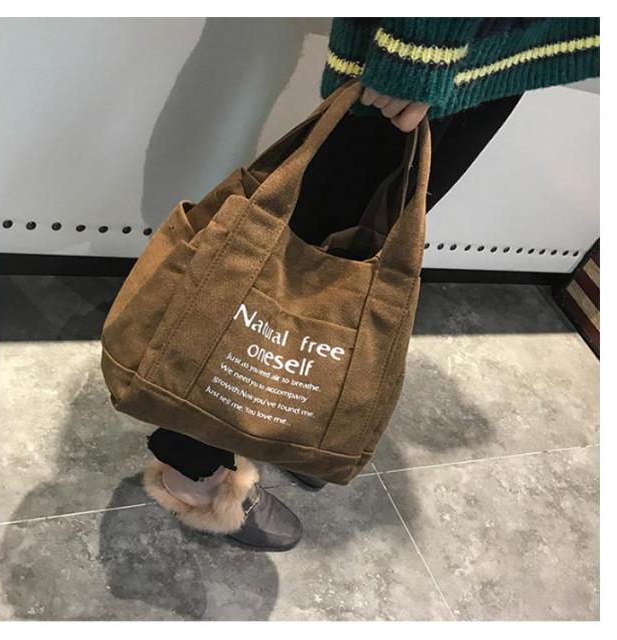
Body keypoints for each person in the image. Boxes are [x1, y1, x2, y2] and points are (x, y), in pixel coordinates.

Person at [143, 17, 600, 552]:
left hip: (493, 53)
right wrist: (415, 51)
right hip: (431, 46)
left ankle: (273, 413)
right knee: (291, 254)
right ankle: (191, 465)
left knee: (360, 252)